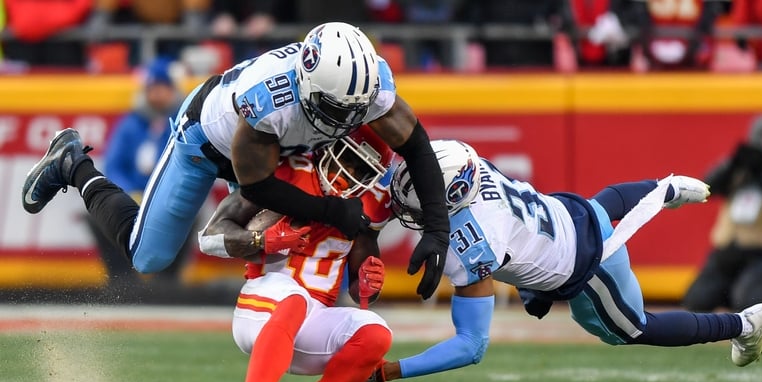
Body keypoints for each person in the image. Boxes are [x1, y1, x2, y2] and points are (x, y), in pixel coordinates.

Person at [20, 21, 449, 301]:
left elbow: (416, 145)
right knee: (147, 256)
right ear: (308, 86)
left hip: (286, 148)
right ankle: (73, 164)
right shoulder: (269, 102)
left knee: (314, 222)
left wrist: (437, 228)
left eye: (357, 109)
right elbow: (257, 185)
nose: (349, 121)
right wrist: (332, 211)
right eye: (338, 110)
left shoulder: (364, 84)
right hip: (208, 143)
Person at [364, 139, 762, 382]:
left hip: (587, 261)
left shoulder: (475, 245)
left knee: (633, 329)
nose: (409, 210)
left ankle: (743, 325)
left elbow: (471, 346)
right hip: (568, 213)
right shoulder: (468, 164)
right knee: (598, 209)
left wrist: (389, 371)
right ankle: (662, 188)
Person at [198, 126, 394, 382]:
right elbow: (209, 238)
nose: (351, 174)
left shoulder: (369, 203)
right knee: (295, 298)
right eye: (349, 160)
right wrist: (262, 240)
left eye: (364, 171)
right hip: (261, 311)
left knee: (377, 333)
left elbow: (360, 286)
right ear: (330, 147)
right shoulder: (289, 173)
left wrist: (369, 283)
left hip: (312, 321)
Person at [683, 115, 762, 314]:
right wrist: (734, 162)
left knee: (749, 302)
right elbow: (708, 187)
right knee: (697, 300)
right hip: (730, 252)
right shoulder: (740, 172)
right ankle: (739, 289)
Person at [89, 57, 187, 286]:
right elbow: (113, 165)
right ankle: (122, 280)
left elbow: (187, 165)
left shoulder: (182, 121)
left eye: (163, 88)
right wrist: (129, 192)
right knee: (98, 214)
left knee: (190, 214)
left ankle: (167, 282)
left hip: (168, 199)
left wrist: (160, 195)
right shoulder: (130, 124)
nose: (157, 94)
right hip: (132, 196)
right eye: (153, 88)